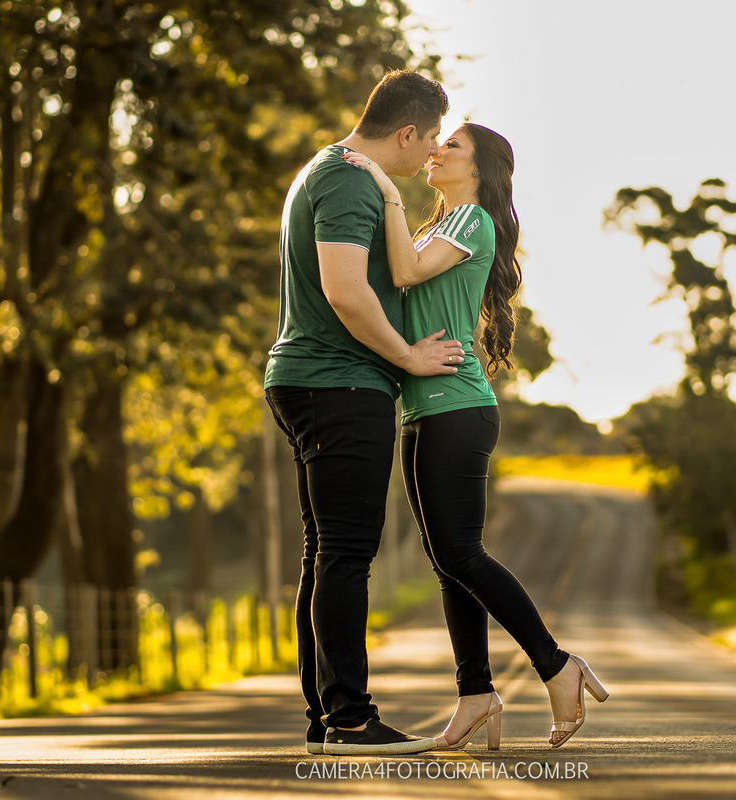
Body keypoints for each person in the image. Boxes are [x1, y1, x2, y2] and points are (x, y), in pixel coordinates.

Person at [342, 124, 609, 750]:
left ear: (481, 169)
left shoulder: (470, 223)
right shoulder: (438, 226)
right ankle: (475, 692)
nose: (435, 152)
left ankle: (555, 665)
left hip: (457, 409)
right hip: (425, 410)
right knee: (446, 563)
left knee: (460, 555)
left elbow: (403, 274)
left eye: (450, 146)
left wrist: (382, 186)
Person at [263, 70, 464, 756]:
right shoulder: (349, 179)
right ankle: (350, 719)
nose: (431, 152)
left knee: (326, 553)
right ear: (407, 133)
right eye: (431, 137)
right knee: (346, 552)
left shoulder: (331, 168)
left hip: (311, 380)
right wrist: (407, 356)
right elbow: (347, 291)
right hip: (339, 384)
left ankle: (329, 718)